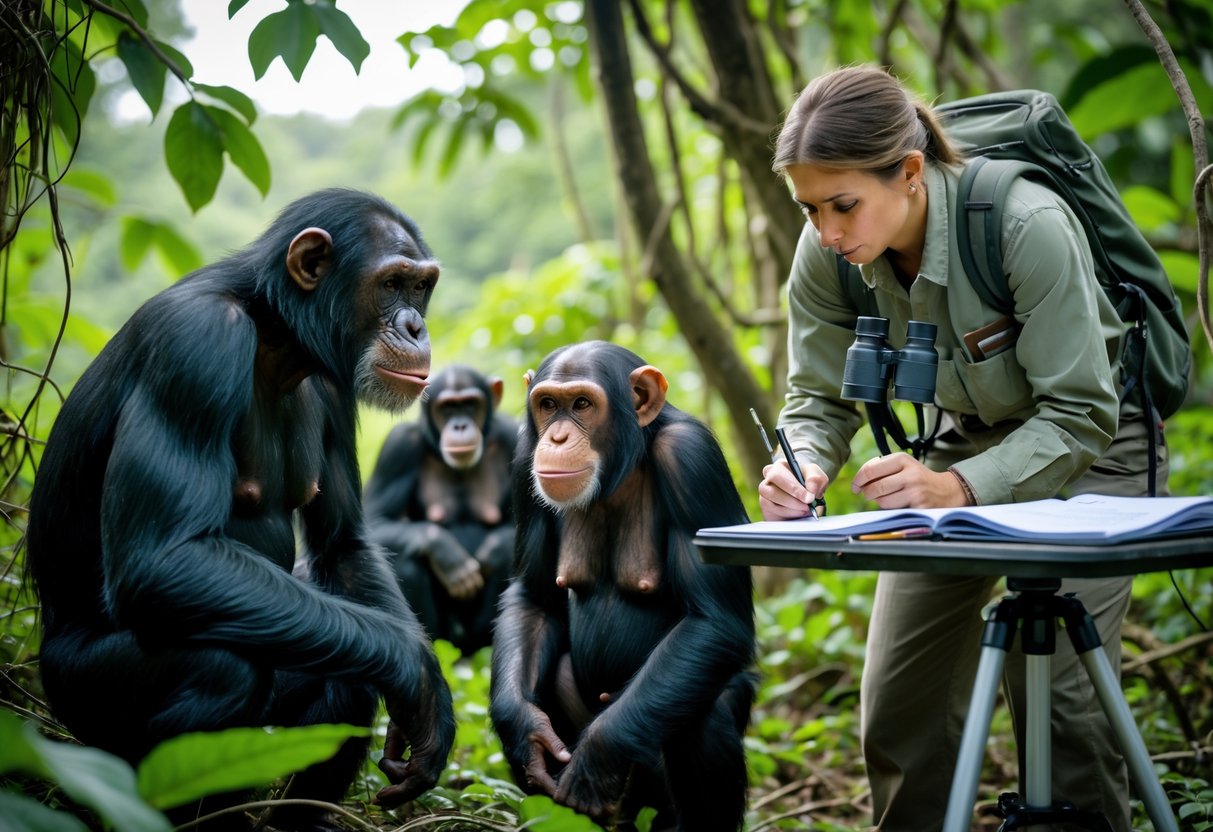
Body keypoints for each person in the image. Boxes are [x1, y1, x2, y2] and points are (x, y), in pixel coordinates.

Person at [758, 64, 1166, 830]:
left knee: (1060, 698)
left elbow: (1080, 411)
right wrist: (802, 460)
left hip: (1096, 451)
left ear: (909, 172)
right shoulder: (828, 254)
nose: (826, 232)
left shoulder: (1022, 224)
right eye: (808, 208)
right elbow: (815, 398)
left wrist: (962, 490)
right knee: (898, 697)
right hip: (956, 449)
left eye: (842, 205)